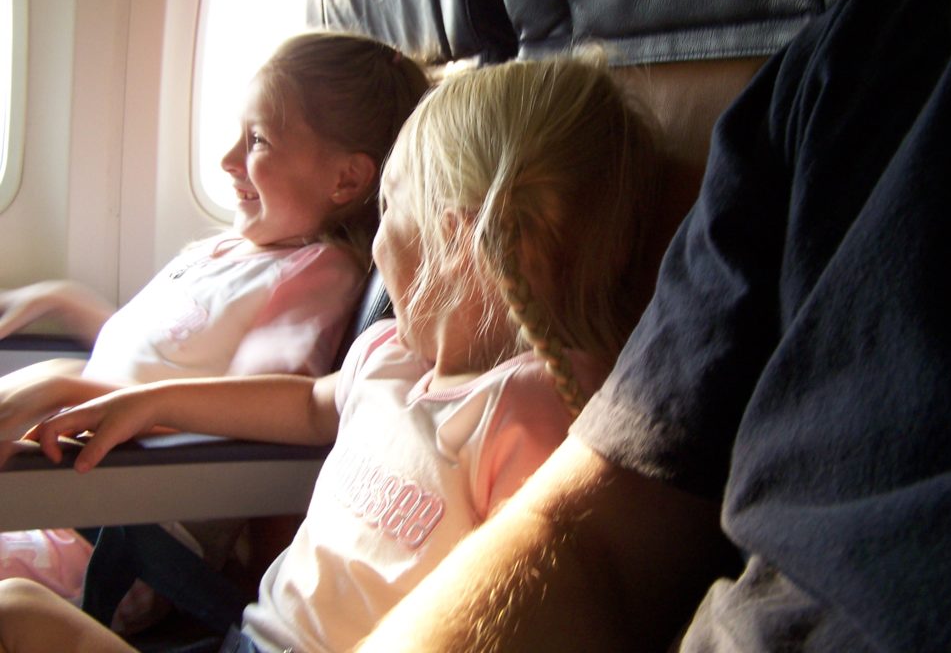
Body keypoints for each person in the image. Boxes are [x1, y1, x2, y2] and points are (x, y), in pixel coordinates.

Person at [344, 0, 951, 653]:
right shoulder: (885, 40)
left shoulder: (518, 409)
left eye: (388, 205)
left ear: (462, 234)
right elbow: (584, 538)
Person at [0, 55, 662, 653]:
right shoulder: (390, 356)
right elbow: (304, 402)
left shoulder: (531, 411)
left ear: (457, 241)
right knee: (17, 610)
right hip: (248, 639)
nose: (374, 250)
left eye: (391, 216)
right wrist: (143, 402)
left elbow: (532, 610)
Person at [0, 32, 429, 615]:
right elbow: (166, 358)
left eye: (257, 140)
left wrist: (71, 386)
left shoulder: (314, 272)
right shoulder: (229, 251)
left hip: (114, 537)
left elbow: (241, 412)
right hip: (63, 497)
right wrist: (65, 301)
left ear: (346, 180)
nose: (228, 160)